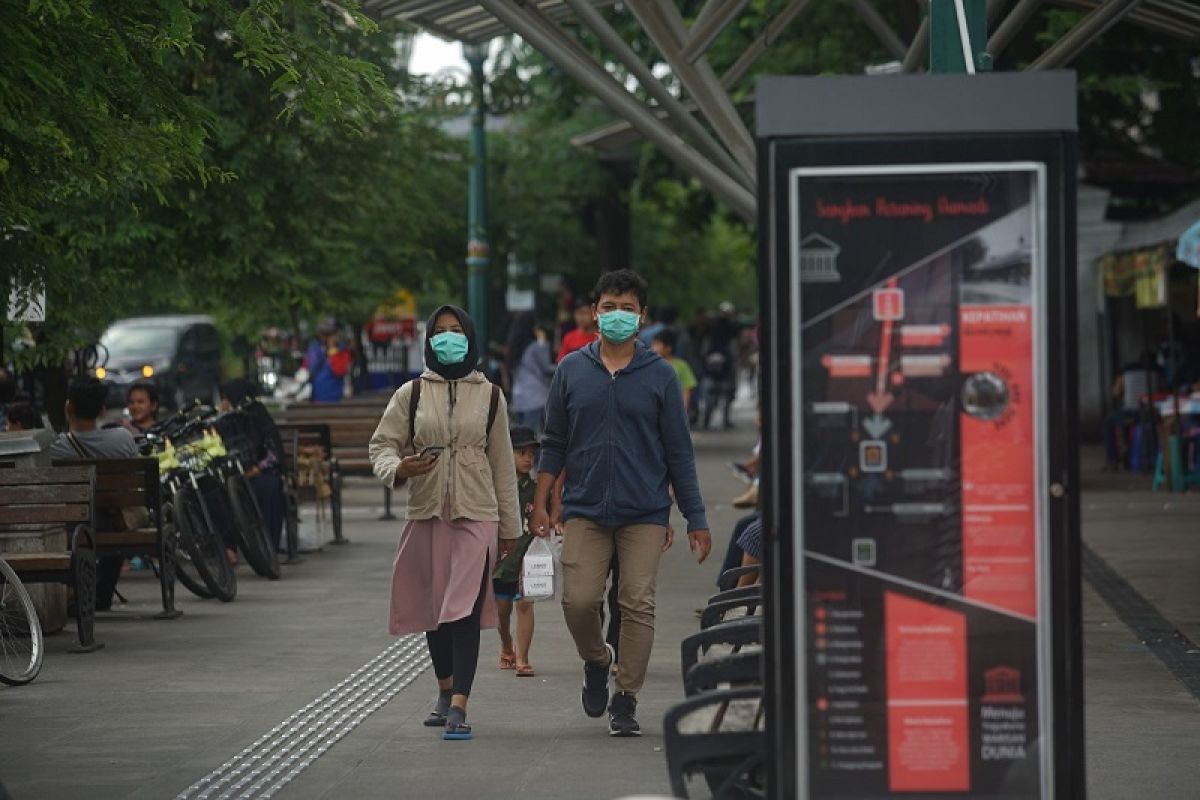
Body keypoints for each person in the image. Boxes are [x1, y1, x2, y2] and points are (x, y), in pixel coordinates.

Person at [530, 269, 712, 738]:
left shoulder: (661, 376)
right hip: (585, 508)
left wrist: (696, 516)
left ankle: (626, 697)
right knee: (580, 601)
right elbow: (553, 441)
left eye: (627, 308)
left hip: (644, 511)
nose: (616, 316)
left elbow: (678, 451)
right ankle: (596, 660)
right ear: (594, 312)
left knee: (637, 603)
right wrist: (541, 501)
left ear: (642, 316)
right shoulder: (572, 369)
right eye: (608, 307)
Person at [369, 304, 521, 742]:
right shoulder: (411, 393)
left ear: (470, 337)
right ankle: (443, 690)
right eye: (440, 332)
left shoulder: (490, 395)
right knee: (436, 610)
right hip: (426, 511)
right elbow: (382, 445)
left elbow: (503, 464)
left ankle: (460, 705)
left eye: (457, 331)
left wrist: (511, 528)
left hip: (478, 513)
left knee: (465, 610)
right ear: (429, 340)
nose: (449, 338)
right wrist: (399, 469)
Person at [49, 378, 139, 610]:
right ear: (102, 410)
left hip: (72, 525)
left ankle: (72, 592)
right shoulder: (123, 438)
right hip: (114, 522)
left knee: (74, 523)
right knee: (111, 515)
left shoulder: (55, 447)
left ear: (68, 407)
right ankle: (103, 593)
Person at [216, 378, 288, 553]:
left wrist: (256, 469)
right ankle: (228, 547)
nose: (222, 403)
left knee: (269, 488)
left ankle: (269, 545)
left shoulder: (257, 415)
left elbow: (273, 451)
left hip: (260, 471)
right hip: (233, 475)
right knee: (216, 493)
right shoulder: (224, 421)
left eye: (226, 398)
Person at [492, 425, 540, 677]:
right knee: (501, 611)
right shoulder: (496, 487)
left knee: (524, 604)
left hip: (527, 558)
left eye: (531, 453)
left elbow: (548, 515)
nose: (528, 458)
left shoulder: (535, 489)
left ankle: (522, 657)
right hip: (501, 562)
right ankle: (506, 644)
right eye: (521, 452)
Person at [1102, 352, 1165, 470]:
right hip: (1150, 413)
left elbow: (1116, 392)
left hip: (1129, 412)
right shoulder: (1158, 372)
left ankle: (1112, 460)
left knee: (1109, 422)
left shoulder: (1126, 371)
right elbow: (1163, 391)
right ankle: (1153, 459)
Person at [506, 311, 557, 433]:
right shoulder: (534, 347)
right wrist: (542, 342)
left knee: (524, 438)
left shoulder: (514, 348)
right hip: (535, 398)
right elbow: (547, 368)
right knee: (534, 439)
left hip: (519, 399)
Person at [701, 301, 741, 430]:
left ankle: (707, 421)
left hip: (712, 365)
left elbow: (705, 347)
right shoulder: (732, 327)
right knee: (726, 394)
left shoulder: (711, 327)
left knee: (711, 394)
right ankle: (724, 420)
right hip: (725, 366)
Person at [304, 319, 351, 403]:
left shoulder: (341, 350)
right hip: (317, 396)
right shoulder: (315, 348)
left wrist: (333, 351)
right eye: (324, 334)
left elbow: (340, 370)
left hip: (335, 398)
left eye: (330, 334)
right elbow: (311, 368)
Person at [651, 329, 698, 410]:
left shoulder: (681, 366)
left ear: (668, 348)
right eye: (653, 344)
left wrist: (682, 414)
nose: (653, 348)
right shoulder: (650, 365)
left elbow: (686, 391)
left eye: (657, 344)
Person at [557, 294, 598, 363]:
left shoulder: (601, 337)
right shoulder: (569, 337)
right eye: (578, 313)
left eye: (585, 313)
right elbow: (561, 363)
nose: (581, 317)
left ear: (594, 313)